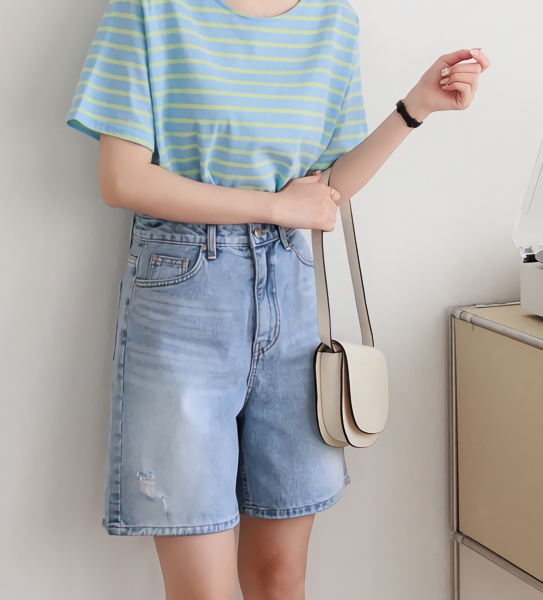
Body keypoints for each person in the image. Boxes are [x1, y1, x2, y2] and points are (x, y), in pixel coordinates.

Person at [65, 0, 490, 597]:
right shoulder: (152, 10)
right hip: (184, 300)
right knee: (202, 589)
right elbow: (122, 179)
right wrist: (272, 206)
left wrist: (414, 107)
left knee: (279, 576)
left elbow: (324, 191)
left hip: (291, 298)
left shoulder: (332, 21)